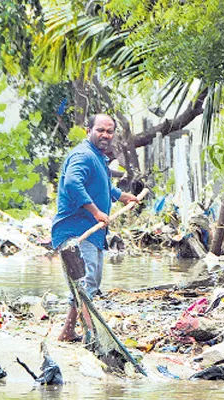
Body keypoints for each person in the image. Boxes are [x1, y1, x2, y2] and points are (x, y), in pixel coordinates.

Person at [52, 114, 139, 342]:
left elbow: (103, 185)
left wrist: (121, 196)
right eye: (100, 130)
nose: (105, 135)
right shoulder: (83, 154)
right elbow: (72, 183)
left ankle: (68, 331)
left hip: (92, 231)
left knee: (87, 283)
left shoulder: (98, 157)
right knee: (86, 282)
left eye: (109, 131)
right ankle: (90, 334)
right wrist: (96, 211)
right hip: (77, 231)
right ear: (88, 129)